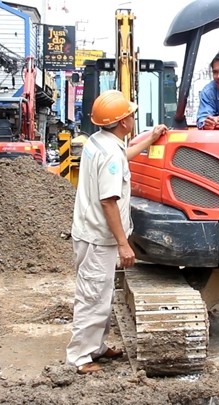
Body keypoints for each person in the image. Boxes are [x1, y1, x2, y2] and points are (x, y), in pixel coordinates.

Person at [66, 90, 168, 375]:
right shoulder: (110, 151)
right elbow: (109, 200)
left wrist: (149, 138)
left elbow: (123, 156)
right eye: (131, 114)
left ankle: (96, 347)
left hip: (90, 232)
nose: (133, 117)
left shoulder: (99, 141)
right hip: (100, 238)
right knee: (92, 296)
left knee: (100, 294)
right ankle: (80, 357)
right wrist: (124, 244)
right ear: (123, 121)